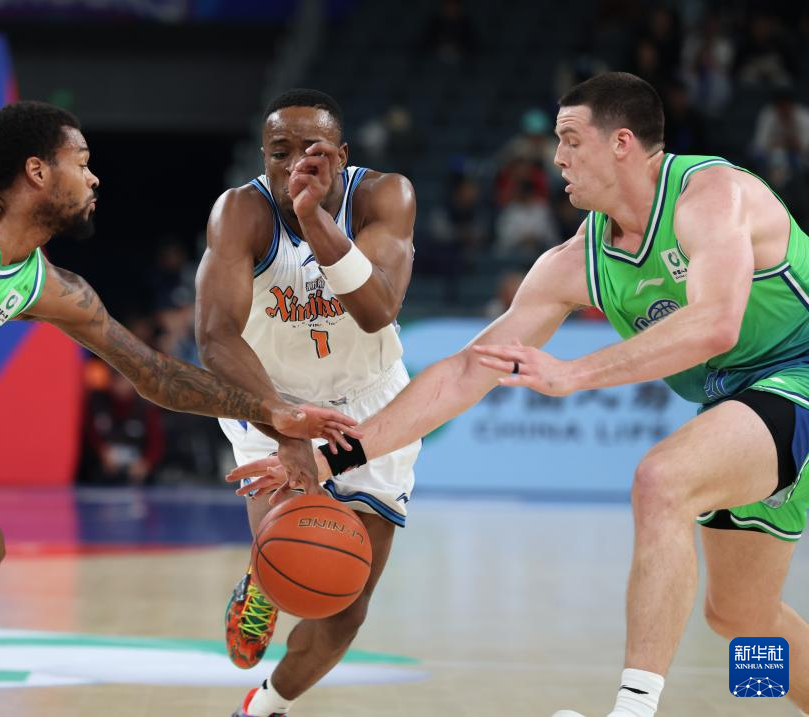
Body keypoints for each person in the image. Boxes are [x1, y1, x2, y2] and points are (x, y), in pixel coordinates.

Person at [229, 72, 809, 717]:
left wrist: (574, 373)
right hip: (739, 400)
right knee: (740, 616)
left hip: (797, 372)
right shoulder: (576, 260)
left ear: (621, 143)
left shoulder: (711, 194)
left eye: (570, 140)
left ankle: (633, 710)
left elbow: (715, 322)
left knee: (662, 482)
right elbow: (465, 371)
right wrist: (330, 459)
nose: (556, 158)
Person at [0, 99, 356, 717]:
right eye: (81, 162)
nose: (94, 178)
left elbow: (153, 373)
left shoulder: (46, 286)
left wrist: (272, 412)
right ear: (37, 171)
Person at [196, 88, 420, 717]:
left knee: (347, 605)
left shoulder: (384, 196)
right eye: (279, 152)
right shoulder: (240, 212)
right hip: (270, 399)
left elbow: (376, 311)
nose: (294, 163)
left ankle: (265, 705)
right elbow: (215, 336)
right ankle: (263, 583)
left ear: (341, 156)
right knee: (289, 553)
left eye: (312, 150)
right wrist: (285, 424)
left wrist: (314, 216)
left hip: (368, 405)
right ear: (262, 157)